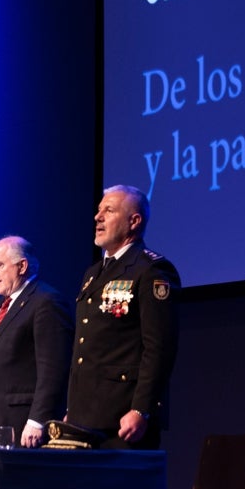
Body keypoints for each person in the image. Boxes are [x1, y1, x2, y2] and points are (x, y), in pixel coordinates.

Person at [66, 185, 181, 449]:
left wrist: (142, 409)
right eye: (98, 211)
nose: (98, 217)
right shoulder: (92, 274)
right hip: (84, 421)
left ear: (134, 221)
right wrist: (74, 409)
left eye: (109, 210)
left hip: (123, 421)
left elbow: (160, 348)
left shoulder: (151, 270)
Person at [0, 235, 74, 449]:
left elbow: (53, 369)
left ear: (22, 266)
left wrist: (38, 419)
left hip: (22, 426)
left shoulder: (45, 301)